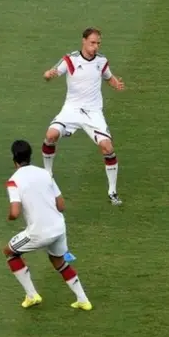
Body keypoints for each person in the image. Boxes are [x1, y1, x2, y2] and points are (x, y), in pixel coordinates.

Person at [3, 140, 92, 311]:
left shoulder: (13, 181)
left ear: (13, 159)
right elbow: (61, 205)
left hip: (38, 233)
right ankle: (83, 300)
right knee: (58, 261)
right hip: (59, 228)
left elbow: (14, 213)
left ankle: (31, 295)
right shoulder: (45, 173)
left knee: (9, 252)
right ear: (30, 156)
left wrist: (10, 217)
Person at [41, 27, 125, 206]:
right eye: (92, 43)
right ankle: (48, 173)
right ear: (84, 41)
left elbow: (108, 77)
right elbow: (50, 74)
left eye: (98, 43)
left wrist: (116, 83)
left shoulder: (101, 61)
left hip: (93, 112)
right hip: (71, 109)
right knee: (50, 135)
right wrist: (48, 75)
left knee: (107, 148)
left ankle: (112, 192)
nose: (95, 46)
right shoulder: (70, 59)